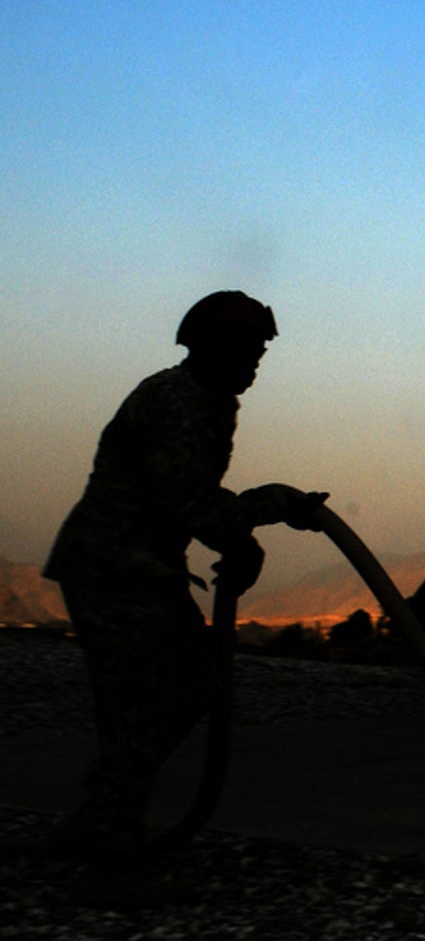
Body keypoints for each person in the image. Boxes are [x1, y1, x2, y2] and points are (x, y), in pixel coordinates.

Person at [41, 290, 327, 901]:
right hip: (116, 568)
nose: (256, 362)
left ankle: (100, 824)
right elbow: (188, 502)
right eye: (249, 348)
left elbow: (196, 500)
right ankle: (110, 859)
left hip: (138, 568)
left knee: (182, 689)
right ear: (213, 345)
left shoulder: (208, 401)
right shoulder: (179, 401)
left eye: (262, 352)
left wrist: (246, 537)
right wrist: (274, 504)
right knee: (153, 702)